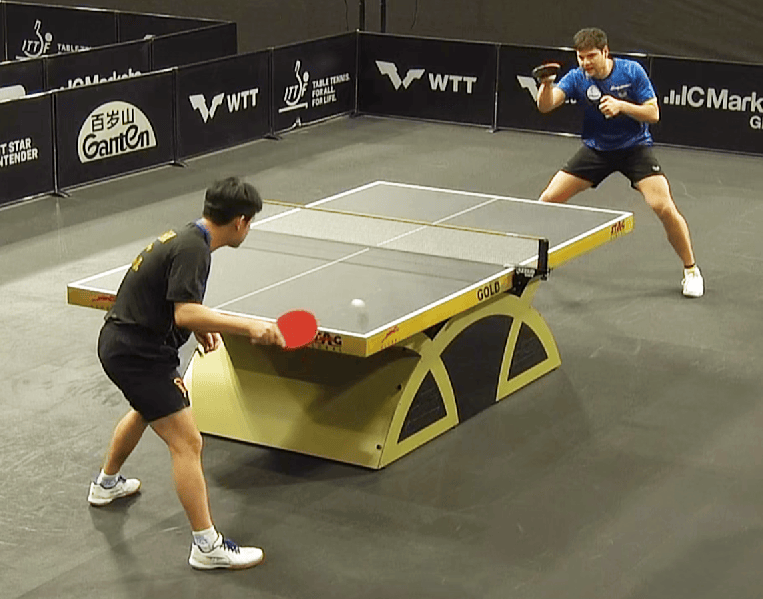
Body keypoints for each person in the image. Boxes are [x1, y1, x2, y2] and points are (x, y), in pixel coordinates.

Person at [88, 176, 286, 570]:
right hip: (138, 354)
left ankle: (106, 485)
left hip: (123, 344)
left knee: (147, 409)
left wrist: (198, 325)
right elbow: (185, 311)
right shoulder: (196, 249)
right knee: (188, 443)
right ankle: (206, 546)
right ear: (241, 221)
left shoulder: (186, 237)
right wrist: (249, 326)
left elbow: (175, 301)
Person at [536, 27, 704, 298]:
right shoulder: (577, 77)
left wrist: (621, 106)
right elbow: (546, 106)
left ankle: (691, 270)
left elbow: (654, 113)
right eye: (581, 57)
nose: (585, 62)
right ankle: (536, 260)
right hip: (596, 151)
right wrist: (545, 85)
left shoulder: (631, 71)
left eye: (591, 56)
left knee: (663, 206)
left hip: (634, 149)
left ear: (605, 52)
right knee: (547, 200)